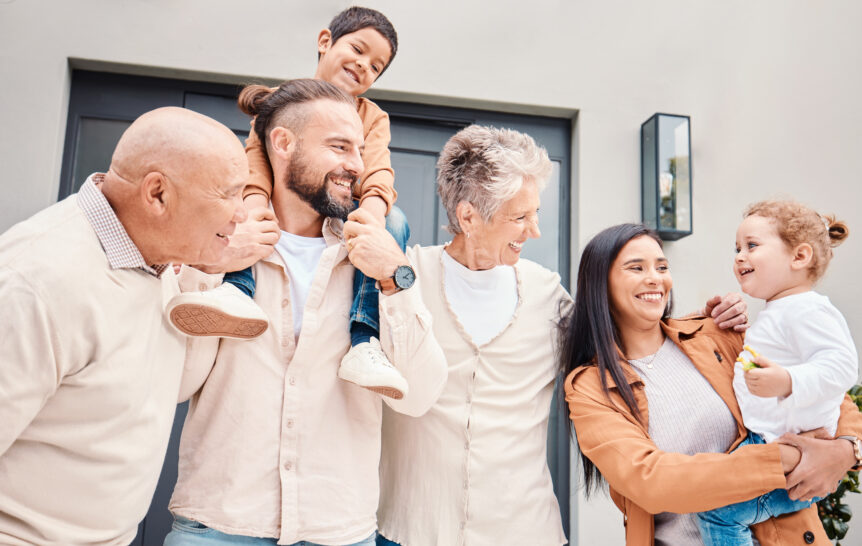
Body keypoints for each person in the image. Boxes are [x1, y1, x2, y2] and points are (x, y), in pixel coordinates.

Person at [375, 126, 748, 546]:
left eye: (535, 213)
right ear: (467, 217)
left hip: (524, 531)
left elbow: (628, 339)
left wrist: (709, 324)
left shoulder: (547, 294)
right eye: (520, 217)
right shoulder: (403, 276)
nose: (533, 230)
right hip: (409, 529)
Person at [163, 79, 447, 546]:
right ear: (282, 143)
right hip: (218, 527)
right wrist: (206, 265)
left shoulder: (379, 256)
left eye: (359, 149)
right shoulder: (217, 245)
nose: (356, 166)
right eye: (339, 146)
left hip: (337, 531)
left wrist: (396, 277)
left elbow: (419, 397)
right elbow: (177, 382)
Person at [0, 107, 248, 545]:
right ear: (157, 195)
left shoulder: (158, 263)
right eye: (229, 194)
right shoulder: (36, 280)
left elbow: (162, 388)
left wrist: (208, 271)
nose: (241, 214)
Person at [560, 223, 862, 546]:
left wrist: (846, 449)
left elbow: (825, 391)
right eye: (636, 268)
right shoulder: (590, 387)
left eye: (662, 267)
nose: (655, 278)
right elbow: (652, 480)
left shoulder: (715, 335)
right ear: (600, 284)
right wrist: (786, 458)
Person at [166, 6, 410, 399]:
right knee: (244, 216)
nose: (365, 66)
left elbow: (379, 170)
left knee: (395, 222)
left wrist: (374, 212)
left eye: (376, 66)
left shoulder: (372, 115)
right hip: (280, 203)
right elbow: (255, 159)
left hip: (350, 205)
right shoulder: (284, 101)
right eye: (359, 50)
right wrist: (256, 203)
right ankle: (237, 290)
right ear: (325, 42)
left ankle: (364, 340)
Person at [695, 201, 859, 545]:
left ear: (799, 257)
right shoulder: (781, 309)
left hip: (794, 459)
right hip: (774, 447)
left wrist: (787, 381)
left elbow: (843, 366)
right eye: (737, 248)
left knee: (716, 511)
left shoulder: (806, 310)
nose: (739, 256)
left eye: (752, 246)